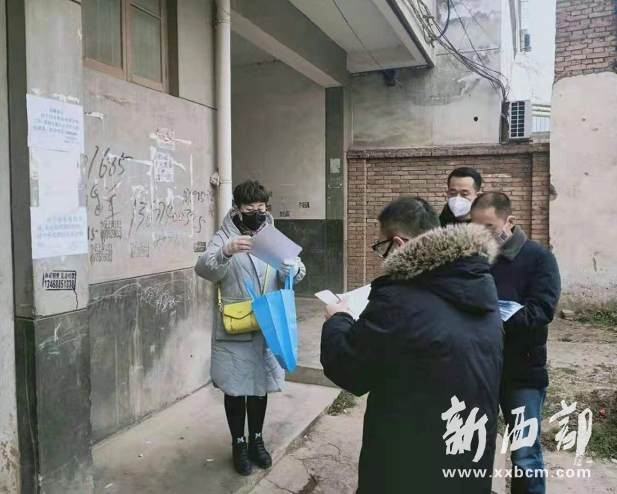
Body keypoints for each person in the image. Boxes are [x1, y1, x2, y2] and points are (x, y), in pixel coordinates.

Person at [321, 196, 503, 494]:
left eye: (381, 247)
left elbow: (349, 369)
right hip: (467, 450)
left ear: (399, 244)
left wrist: (338, 319)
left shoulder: (398, 298)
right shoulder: (478, 283)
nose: (381, 257)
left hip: (409, 459)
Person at [195, 180, 306, 476]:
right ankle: (238, 443)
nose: (257, 213)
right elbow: (204, 269)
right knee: (235, 390)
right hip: (235, 325)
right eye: (250, 208)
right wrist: (225, 252)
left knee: (259, 388)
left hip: (267, 326)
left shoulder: (272, 236)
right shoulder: (224, 236)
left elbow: (297, 268)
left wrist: (293, 270)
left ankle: (257, 439)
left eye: (261, 208)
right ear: (237, 209)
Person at [471, 192, 560, 494]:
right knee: (472, 447)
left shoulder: (539, 258)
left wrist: (493, 318)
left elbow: (542, 310)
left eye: (488, 226)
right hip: (480, 369)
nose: (481, 234)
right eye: (475, 227)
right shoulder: (473, 258)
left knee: (525, 455)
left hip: (522, 371)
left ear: (510, 221)